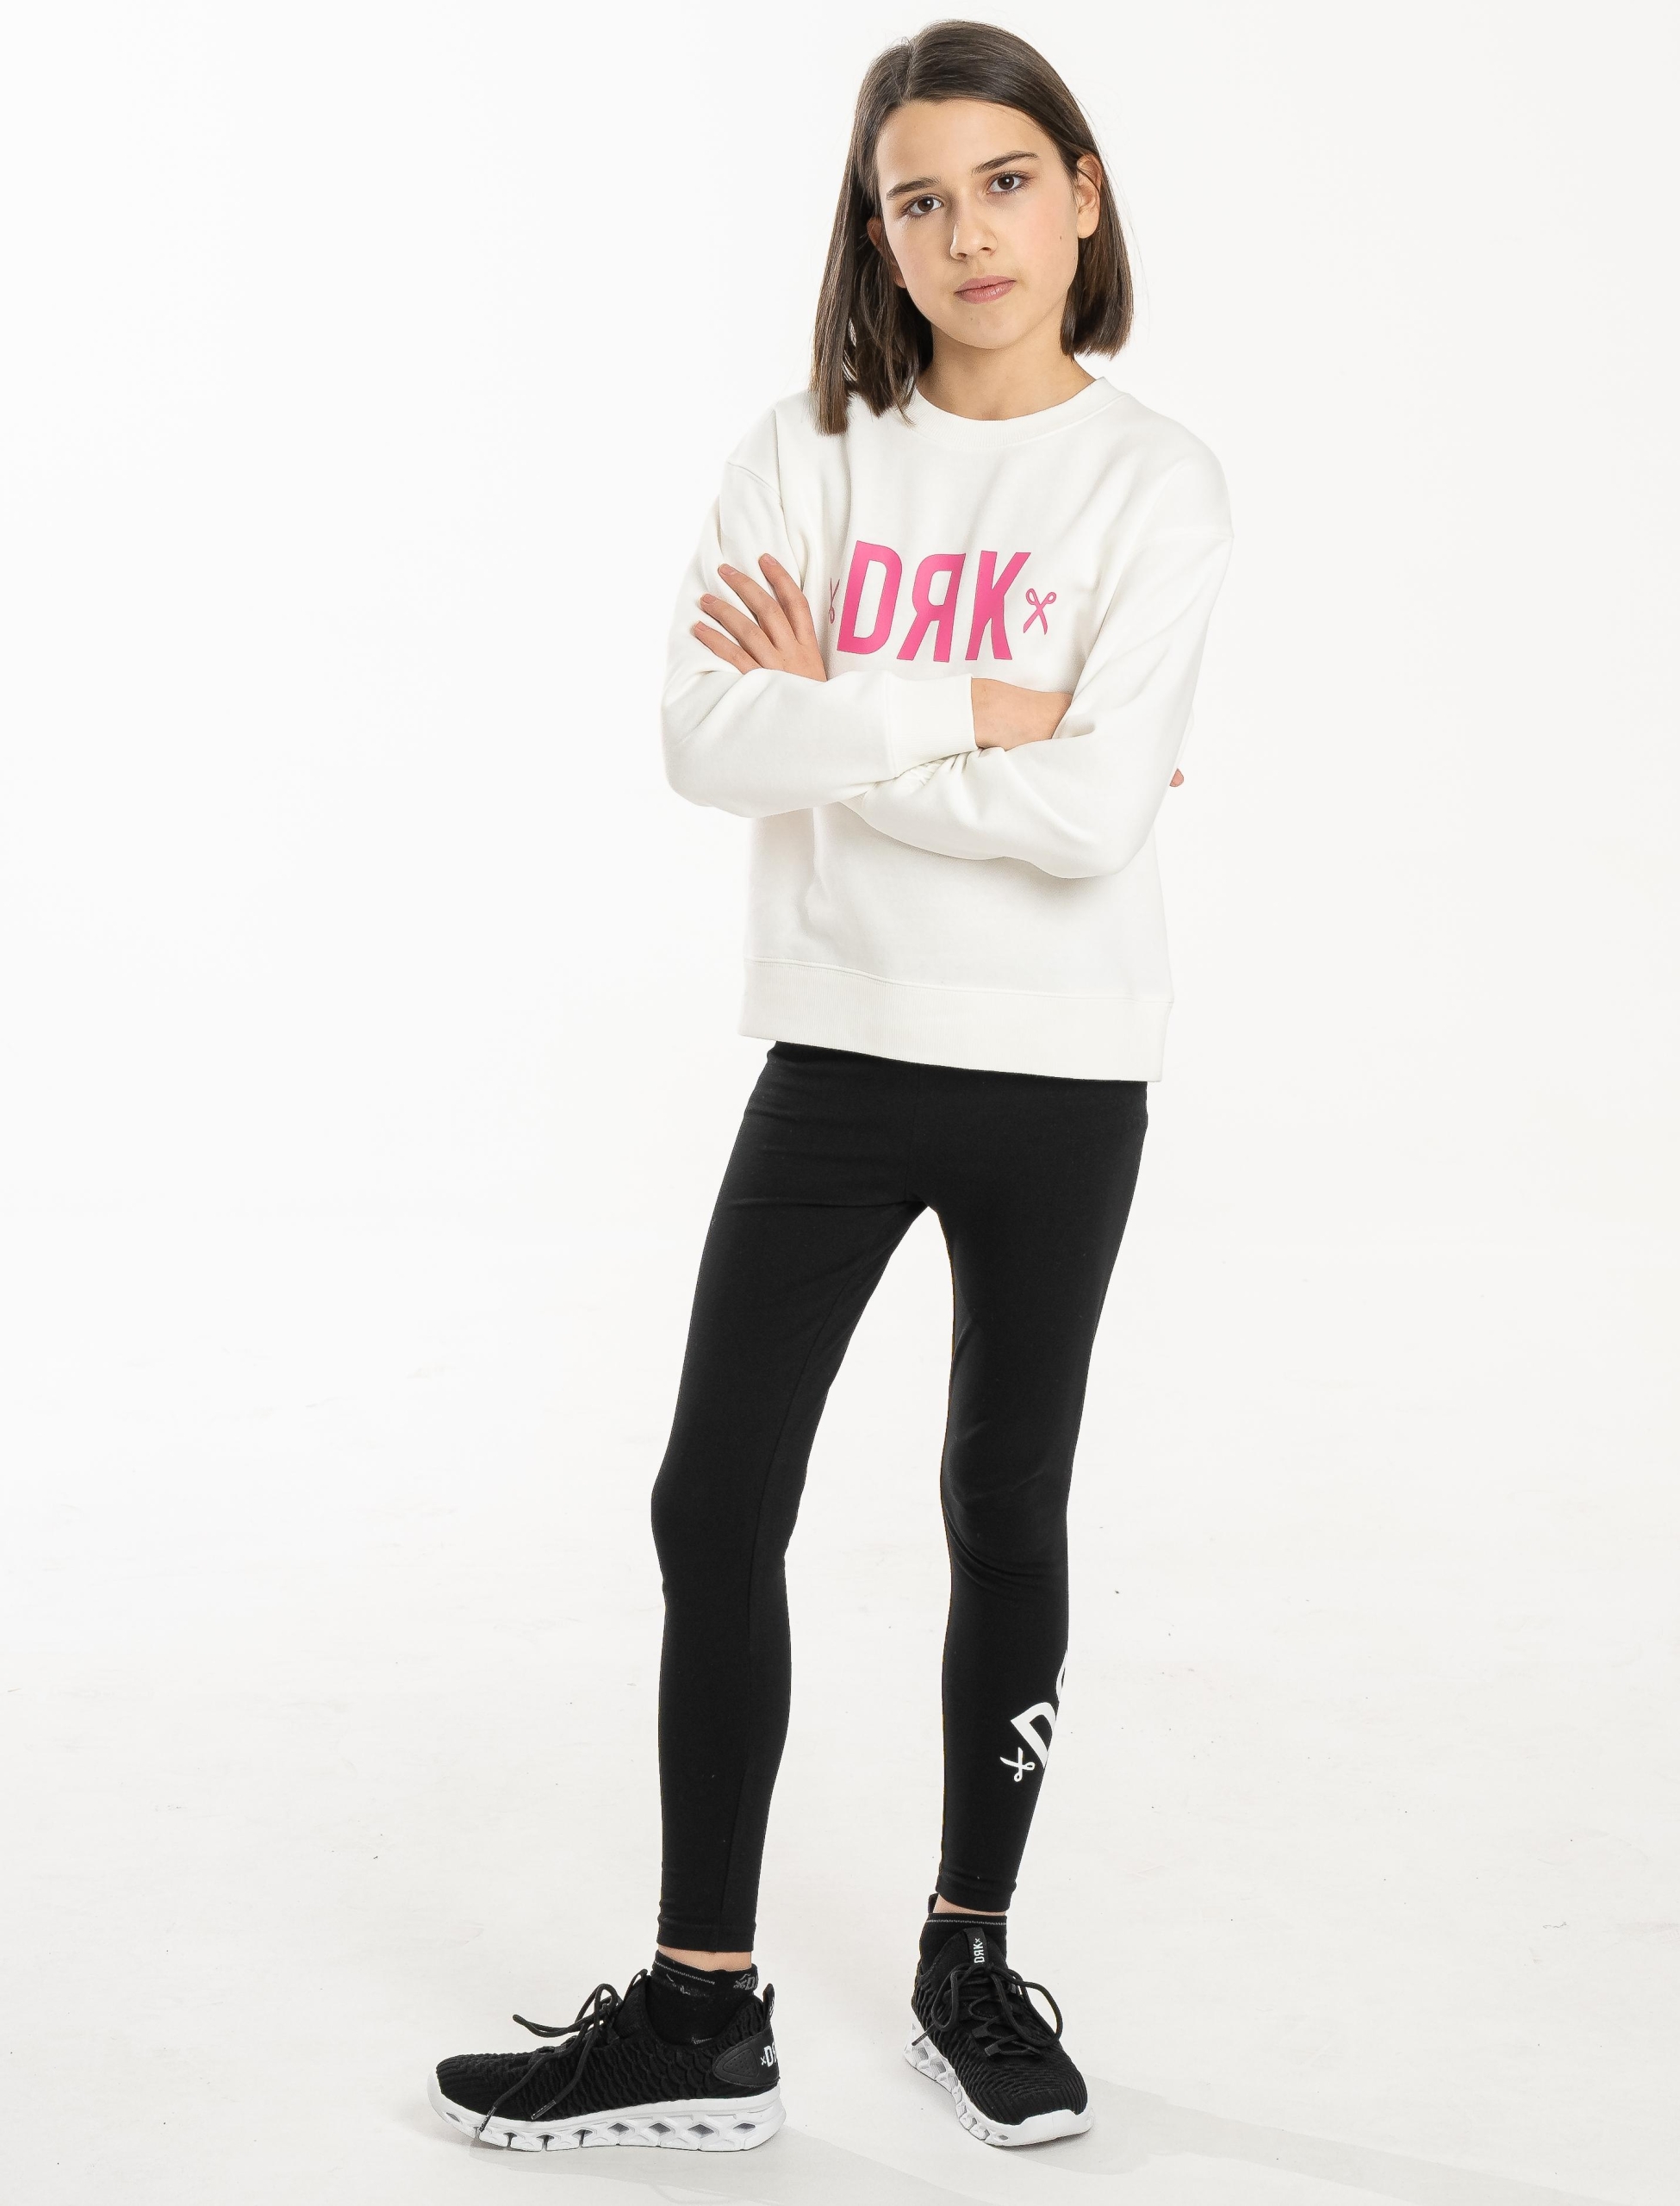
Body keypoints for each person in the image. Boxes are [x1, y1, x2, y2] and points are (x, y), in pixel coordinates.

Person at [426, 17, 1233, 2156]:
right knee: (714, 1500)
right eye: (916, 199)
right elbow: (707, 741)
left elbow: (1094, 823)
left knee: (1004, 1502)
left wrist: (847, 712)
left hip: (1061, 1062)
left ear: (1081, 193)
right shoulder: (807, 449)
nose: (966, 233)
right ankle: (704, 2005)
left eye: (1004, 181)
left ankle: (970, 1951)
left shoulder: (1154, 481)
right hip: (840, 1048)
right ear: (873, 234)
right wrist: (990, 703)